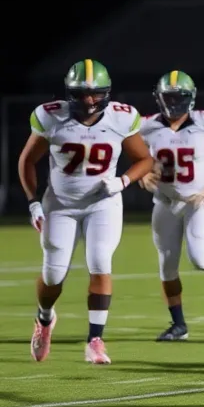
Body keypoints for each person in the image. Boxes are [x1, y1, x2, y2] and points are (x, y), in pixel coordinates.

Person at [21, 59, 154, 364]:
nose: (89, 100)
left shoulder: (122, 117)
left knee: (100, 261)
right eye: (81, 94)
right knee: (53, 274)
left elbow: (144, 160)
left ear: (107, 92)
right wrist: (33, 201)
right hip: (61, 204)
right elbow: (27, 160)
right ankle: (44, 319)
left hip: (102, 203)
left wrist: (122, 181)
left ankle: (95, 339)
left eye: (95, 93)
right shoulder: (50, 116)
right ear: (70, 93)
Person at [139, 70, 204, 340]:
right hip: (165, 200)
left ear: (190, 98)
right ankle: (178, 325)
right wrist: (144, 174)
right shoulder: (146, 126)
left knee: (199, 258)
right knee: (167, 265)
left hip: (198, 201)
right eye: (167, 97)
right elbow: (138, 160)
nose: (172, 103)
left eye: (177, 97)